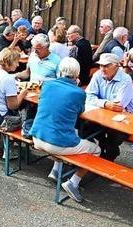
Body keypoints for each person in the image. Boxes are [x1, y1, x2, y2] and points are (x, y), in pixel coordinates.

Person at [30, 58, 101, 203]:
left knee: (70, 132)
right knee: (96, 149)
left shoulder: (47, 85)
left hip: (37, 136)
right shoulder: (78, 93)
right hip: (56, 143)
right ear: (77, 74)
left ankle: (56, 170)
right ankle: (73, 182)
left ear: (60, 71)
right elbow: (80, 111)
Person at [84, 53, 133, 161]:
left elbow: (117, 106)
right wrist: (105, 104)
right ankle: (96, 153)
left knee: (111, 139)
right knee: (83, 128)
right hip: (101, 115)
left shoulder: (125, 80)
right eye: (101, 65)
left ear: (116, 66)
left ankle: (106, 161)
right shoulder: (98, 75)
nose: (102, 68)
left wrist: (98, 102)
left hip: (123, 120)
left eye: (106, 66)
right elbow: (88, 96)